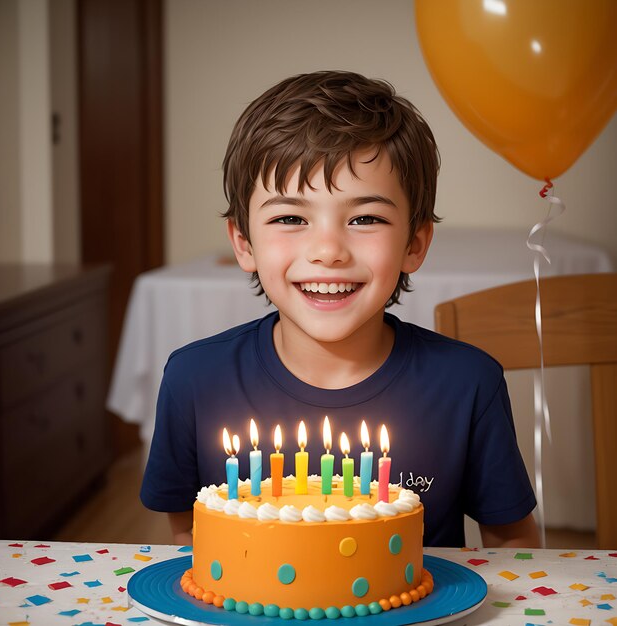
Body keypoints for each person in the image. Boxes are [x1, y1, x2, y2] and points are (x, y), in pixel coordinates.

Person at [141, 70, 539, 548]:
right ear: (243, 243)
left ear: (414, 244)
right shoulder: (193, 380)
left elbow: (512, 544)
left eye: (365, 218)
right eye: (290, 218)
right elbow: (188, 533)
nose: (328, 250)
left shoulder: (469, 383)